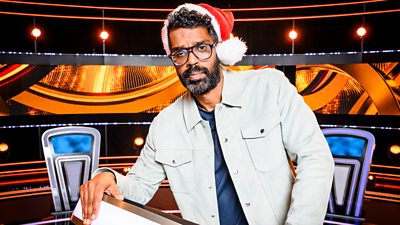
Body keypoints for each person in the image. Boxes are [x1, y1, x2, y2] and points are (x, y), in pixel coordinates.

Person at [80, 3, 334, 225]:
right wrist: (107, 177)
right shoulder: (165, 125)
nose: (191, 62)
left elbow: (316, 159)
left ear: (218, 49)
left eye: (201, 48)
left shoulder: (271, 87)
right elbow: (139, 187)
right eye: (180, 53)